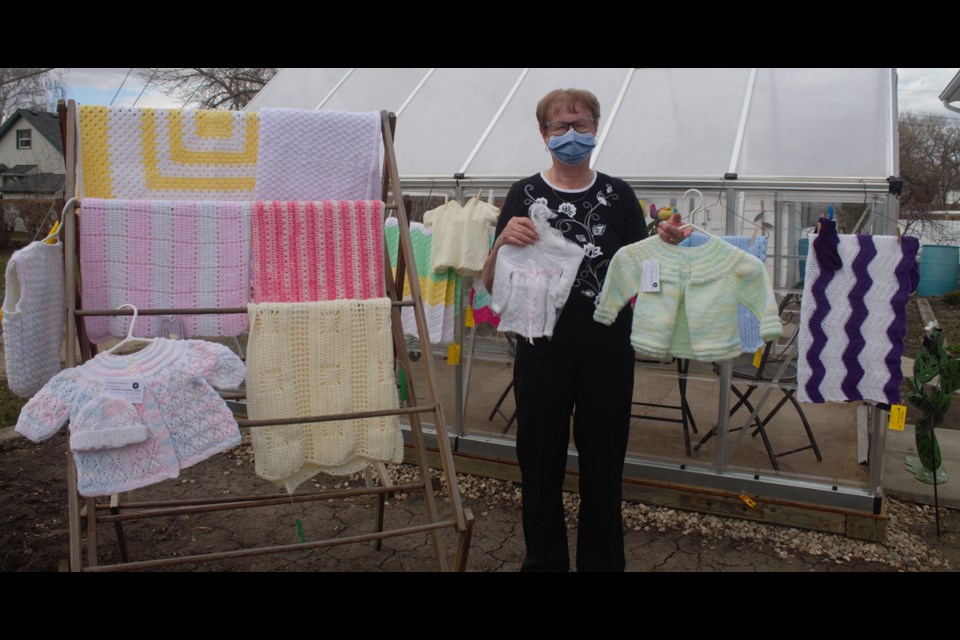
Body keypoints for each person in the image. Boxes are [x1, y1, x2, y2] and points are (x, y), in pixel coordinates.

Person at [480, 88, 687, 571]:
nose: (571, 135)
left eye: (581, 125)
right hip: (540, 350)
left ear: (595, 129)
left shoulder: (618, 196)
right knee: (539, 464)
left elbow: (645, 272)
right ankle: (543, 562)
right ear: (543, 134)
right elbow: (491, 282)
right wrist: (501, 245)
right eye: (560, 127)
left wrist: (668, 245)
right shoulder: (523, 194)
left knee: (603, 466)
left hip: (606, 350)